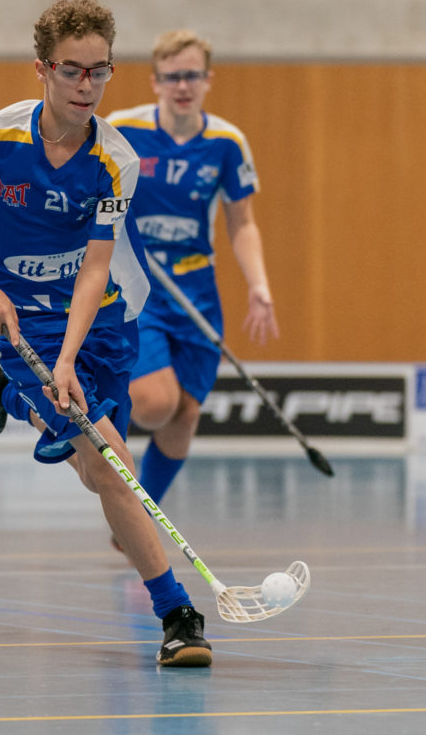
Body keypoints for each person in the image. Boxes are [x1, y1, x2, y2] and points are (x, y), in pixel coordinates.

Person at [0, 0, 212, 667]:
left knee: (93, 469)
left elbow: (96, 264)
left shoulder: (115, 159)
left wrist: (73, 355)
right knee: (112, 463)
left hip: (101, 320)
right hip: (24, 326)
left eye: (99, 71)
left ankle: (5, 392)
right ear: (42, 68)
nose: (86, 86)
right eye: (72, 71)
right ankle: (178, 613)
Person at [104, 30, 278, 512]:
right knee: (156, 403)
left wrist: (258, 286)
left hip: (197, 288)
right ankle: (89, 431)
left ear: (208, 80)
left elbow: (242, 222)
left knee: (185, 413)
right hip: (139, 288)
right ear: (156, 81)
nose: (183, 85)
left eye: (193, 76)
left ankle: (137, 520)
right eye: (173, 76)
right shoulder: (122, 129)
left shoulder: (226, 142)